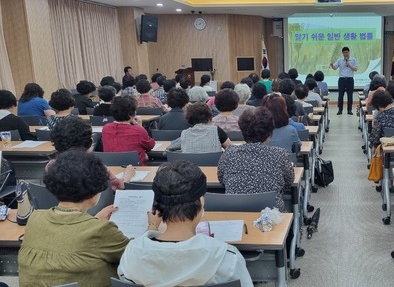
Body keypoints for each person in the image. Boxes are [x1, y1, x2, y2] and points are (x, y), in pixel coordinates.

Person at [18, 150, 157, 286]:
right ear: (95, 190)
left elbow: (68, 239)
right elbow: (137, 255)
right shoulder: (100, 230)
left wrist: (94, 220)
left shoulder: (35, 218)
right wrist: (152, 227)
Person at [117, 161, 253, 286]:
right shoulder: (227, 257)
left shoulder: (131, 253)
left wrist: (152, 227)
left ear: (157, 207)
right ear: (201, 202)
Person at [218, 107, 294, 211]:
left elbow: (222, 180)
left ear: (242, 130)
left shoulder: (229, 153)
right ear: (269, 133)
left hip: (235, 212)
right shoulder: (280, 154)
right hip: (270, 213)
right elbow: (288, 182)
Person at [50, 115, 134, 191]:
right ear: (89, 143)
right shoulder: (96, 167)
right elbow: (119, 187)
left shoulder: (51, 167)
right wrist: (127, 175)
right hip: (100, 207)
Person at [102, 96, 155, 165]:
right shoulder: (138, 130)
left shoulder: (106, 128)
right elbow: (150, 146)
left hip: (112, 168)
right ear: (132, 114)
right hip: (136, 168)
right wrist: (139, 127)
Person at [330, 46, 358, 115]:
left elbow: (355, 69)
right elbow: (335, 68)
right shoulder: (340, 60)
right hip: (342, 79)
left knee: (350, 95)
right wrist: (332, 65)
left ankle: (349, 110)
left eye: (347, 52)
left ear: (349, 52)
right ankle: (340, 110)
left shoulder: (353, 60)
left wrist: (349, 64)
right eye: (344, 53)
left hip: (350, 79)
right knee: (340, 95)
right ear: (342, 53)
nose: (346, 54)